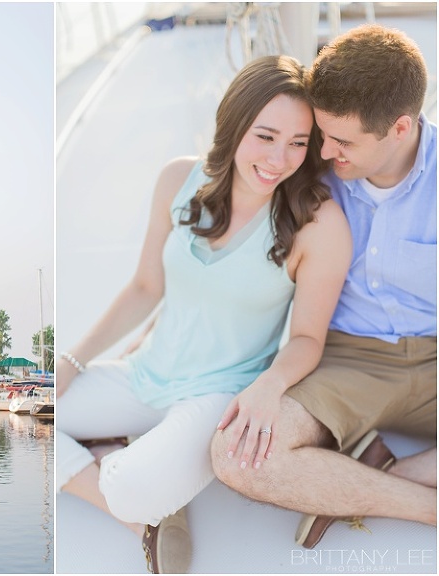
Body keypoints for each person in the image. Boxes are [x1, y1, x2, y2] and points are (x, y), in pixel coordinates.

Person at [56, 54, 352, 573]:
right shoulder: (178, 179)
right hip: (144, 373)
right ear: (234, 125)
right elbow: (146, 287)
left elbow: (306, 338)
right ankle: (136, 498)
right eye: (265, 136)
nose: (279, 159)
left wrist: (267, 389)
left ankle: (130, 476)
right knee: (20, 418)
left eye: (297, 143)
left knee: (132, 489)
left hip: (220, 395)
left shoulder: (318, 224)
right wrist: (73, 360)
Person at [211, 24, 437, 550]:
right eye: (321, 134)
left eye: (343, 141)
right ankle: (425, 504)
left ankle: (374, 476)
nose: (323, 151)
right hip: (345, 358)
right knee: (235, 455)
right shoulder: (308, 162)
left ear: (400, 128)